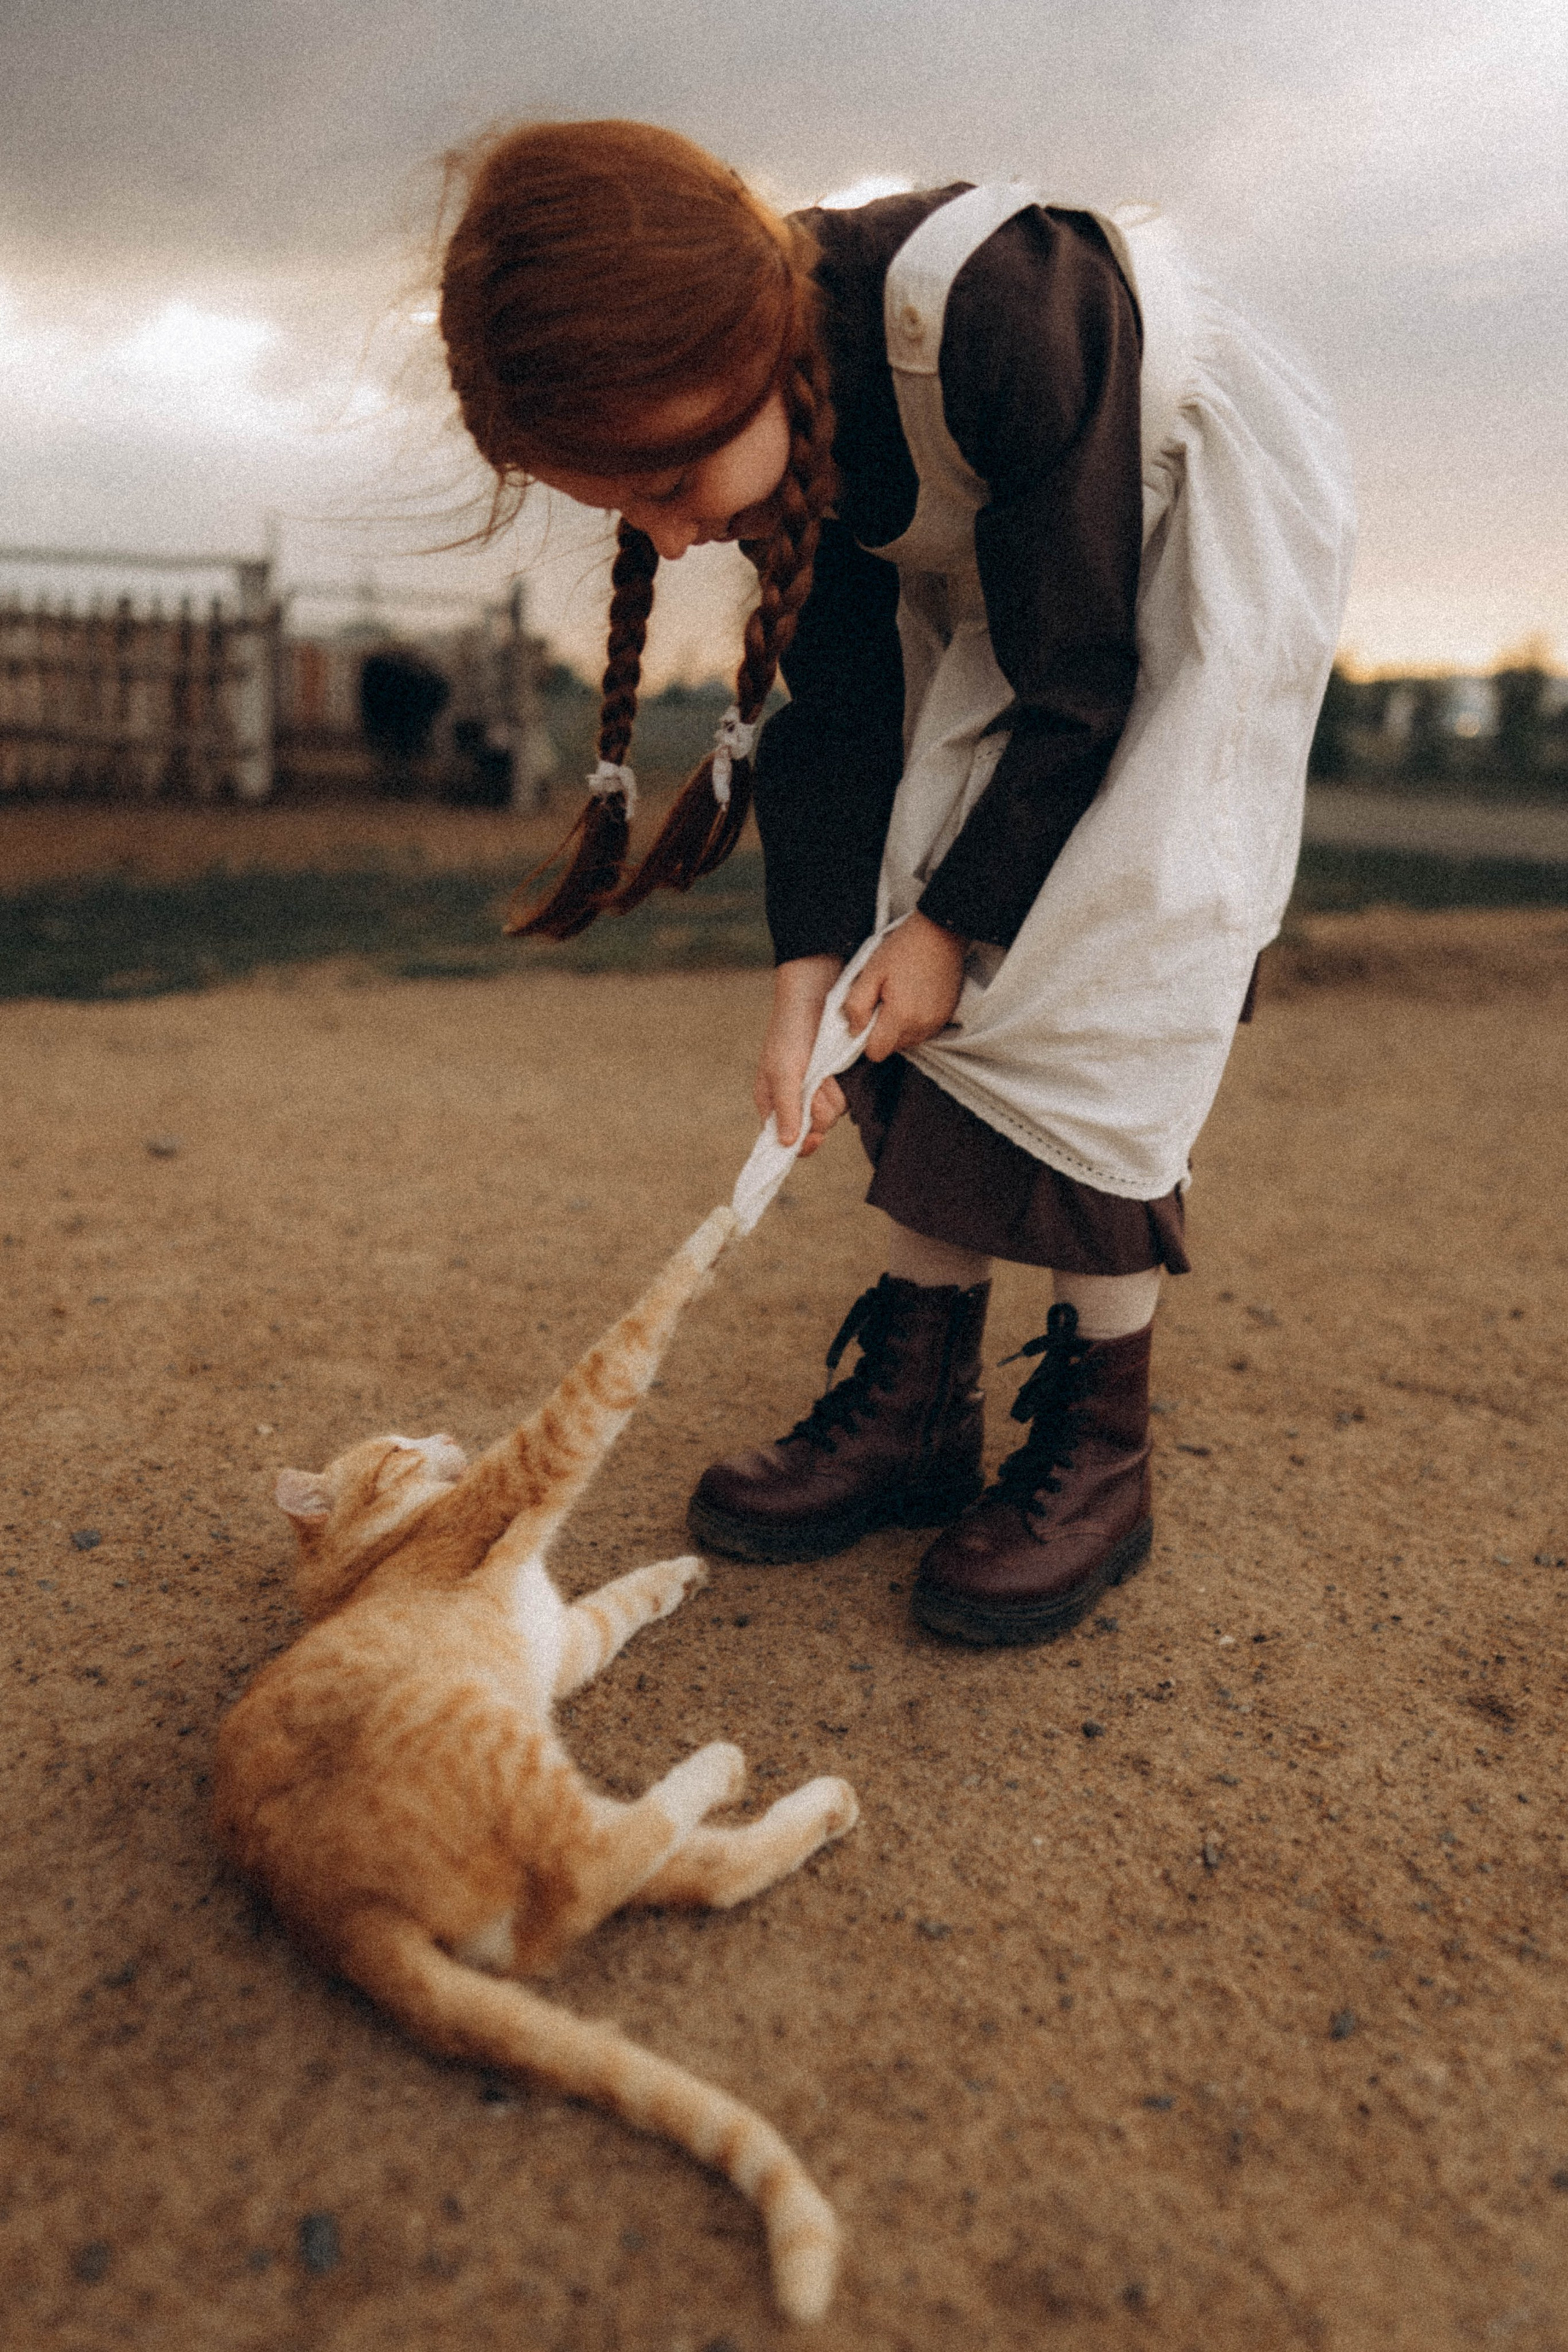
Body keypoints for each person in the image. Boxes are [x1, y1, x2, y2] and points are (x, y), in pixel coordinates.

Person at [437, 120, 1354, 1646]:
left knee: (1103, 950)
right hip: (1021, 590)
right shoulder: (783, 399)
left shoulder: (999, 313)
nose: (671, 530)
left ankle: (1096, 1432)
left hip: (1175, 566)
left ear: (744, 354)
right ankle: (916, 1396)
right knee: (912, 898)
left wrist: (952, 931)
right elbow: (846, 718)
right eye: (630, 507)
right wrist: (822, 967)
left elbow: (1083, 685)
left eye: (673, 477)